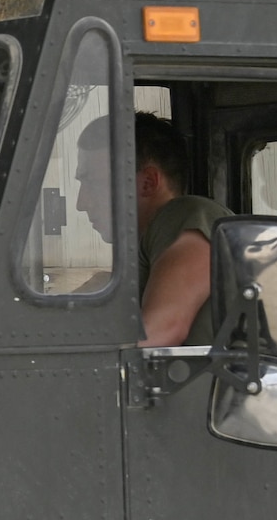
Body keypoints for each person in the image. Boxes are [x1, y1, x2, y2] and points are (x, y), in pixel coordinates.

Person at [73, 110, 228, 347]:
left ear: (148, 183)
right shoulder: (150, 246)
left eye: (93, 182)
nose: (81, 203)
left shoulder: (186, 214)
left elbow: (162, 330)